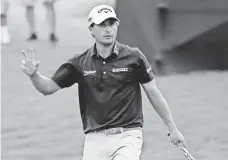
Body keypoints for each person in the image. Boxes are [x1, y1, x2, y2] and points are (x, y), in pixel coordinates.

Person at [21, 5, 186, 160]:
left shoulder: (134, 57)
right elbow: (48, 88)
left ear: (117, 26)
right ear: (91, 29)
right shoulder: (79, 62)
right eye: (102, 25)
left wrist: (173, 129)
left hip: (128, 135)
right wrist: (34, 75)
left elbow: (153, 92)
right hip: (95, 139)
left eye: (111, 23)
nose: (108, 29)